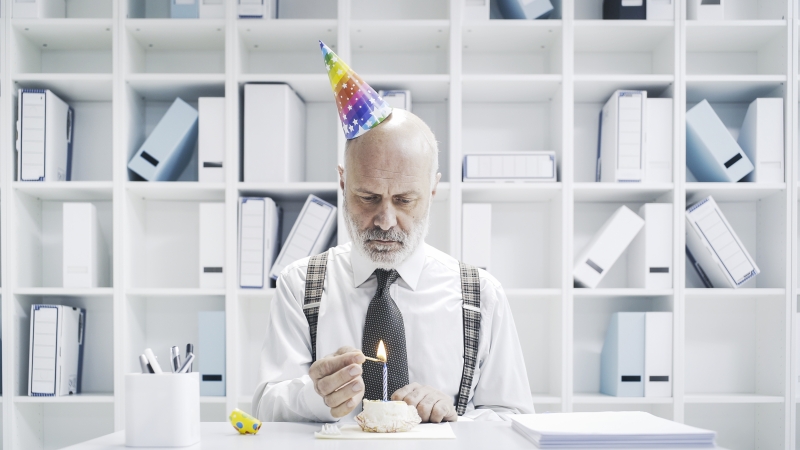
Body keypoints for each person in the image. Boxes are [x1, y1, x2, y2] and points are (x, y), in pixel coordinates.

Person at [251, 41, 534, 423]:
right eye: (367, 197)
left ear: (432, 189)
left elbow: (514, 419)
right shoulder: (299, 285)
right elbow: (266, 407)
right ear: (342, 182)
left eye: (404, 200)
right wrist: (315, 394)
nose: (384, 220)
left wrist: (454, 419)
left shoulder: (482, 296)